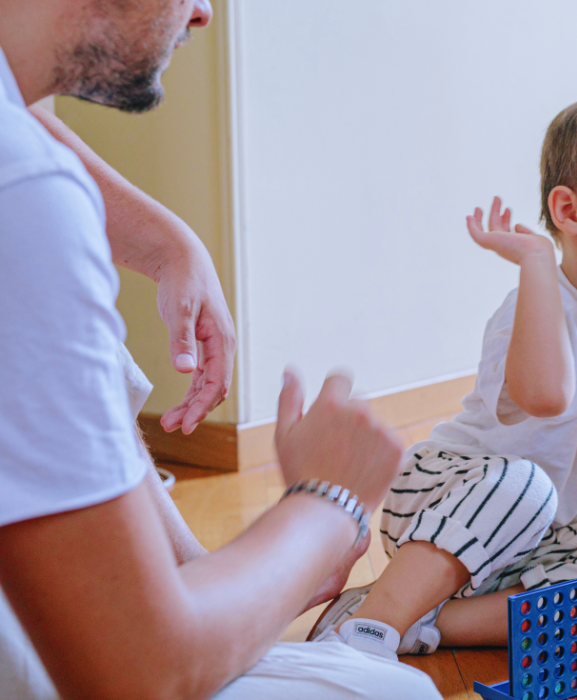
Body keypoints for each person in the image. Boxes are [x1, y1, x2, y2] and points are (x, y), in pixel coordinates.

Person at [0, 1, 440, 698]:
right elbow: (141, 675)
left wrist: (167, 241)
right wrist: (328, 504)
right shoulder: (21, 191)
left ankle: (194, 581)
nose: (203, 13)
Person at [306, 97, 577, 657]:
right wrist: (536, 262)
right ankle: (380, 618)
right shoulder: (533, 305)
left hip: (547, 547)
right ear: (569, 211)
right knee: (527, 487)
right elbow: (546, 395)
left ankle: (424, 623)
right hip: (457, 511)